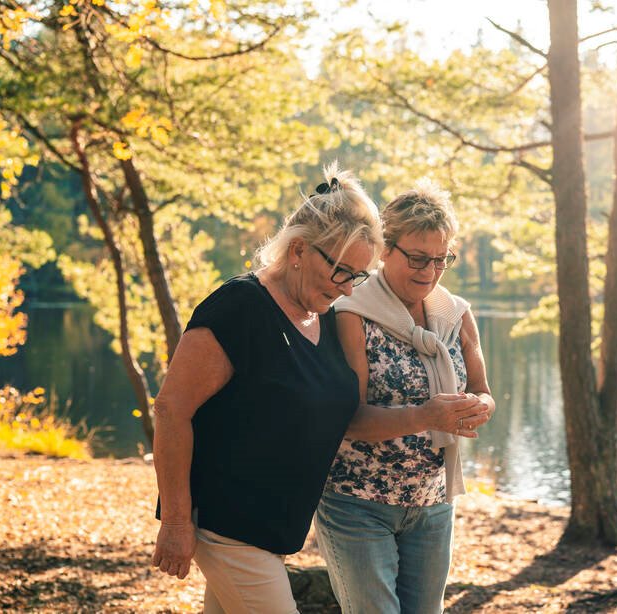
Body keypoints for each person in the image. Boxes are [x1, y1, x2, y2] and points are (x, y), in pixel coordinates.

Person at [150, 164, 484, 613]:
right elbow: (171, 409)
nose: (347, 286)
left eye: (357, 276)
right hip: (225, 522)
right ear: (299, 250)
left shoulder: (322, 316)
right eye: (340, 271)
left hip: (273, 529)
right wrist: (175, 520)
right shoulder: (240, 307)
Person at [317, 179, 496, 614]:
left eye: (440, 260)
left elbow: (484, 393)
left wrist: (478, 409)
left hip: (432, 504)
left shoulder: (455, 314)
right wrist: (428, 416)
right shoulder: (352, 312)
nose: (429, 272)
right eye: (416, 258)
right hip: (356, 504)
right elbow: (349, 419)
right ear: (385, 248)